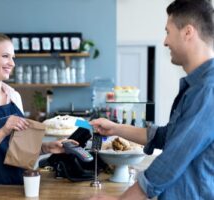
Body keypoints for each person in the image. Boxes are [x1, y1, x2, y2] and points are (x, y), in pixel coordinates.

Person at [89, 0, 214, 199]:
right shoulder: (197, 88)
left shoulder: (208, 90)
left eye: (168, 32)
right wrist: (114, 128)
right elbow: (168, 137)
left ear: (188, 32)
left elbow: (171, 161)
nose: (165, 41)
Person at [0, 33, 74, 185]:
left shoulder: (14, 96)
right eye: (5, 56)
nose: (12, 63)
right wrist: (3, 131)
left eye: (13, 57)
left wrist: (46, 148)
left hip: (19, 184)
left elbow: (19, 150)